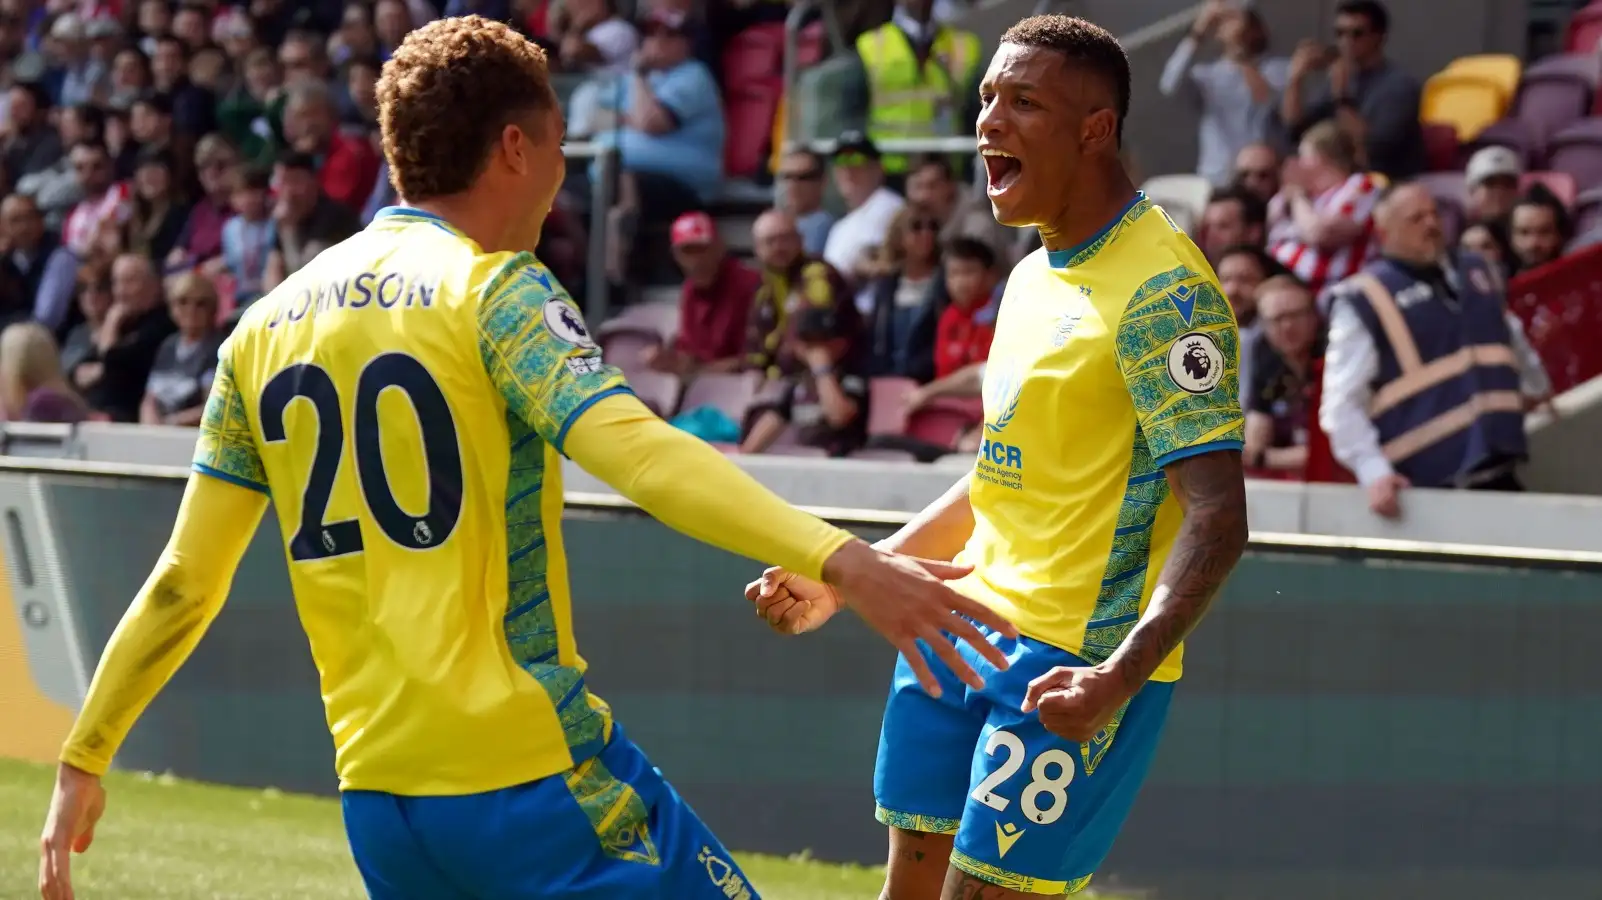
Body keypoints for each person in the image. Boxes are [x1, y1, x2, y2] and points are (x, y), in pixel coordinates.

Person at [37, 18, 1017, 900]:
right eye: (555, 143)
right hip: (528, 783)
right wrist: (844, 559)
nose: (561, 170)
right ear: (514, 146)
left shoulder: (262, 329)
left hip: (381, 805)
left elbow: (182, 584)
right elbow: (638, 453)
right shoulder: (493, 290)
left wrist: (87, 753)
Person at [748, 15, 1249, 898]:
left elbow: (1218, 515)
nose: (989, 122)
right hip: (957, 637)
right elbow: (997, 480)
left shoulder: (1167, 292)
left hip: (1070, 658)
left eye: (1023, 102)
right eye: (986, 98)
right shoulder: (1030, 274)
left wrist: (1117, 675)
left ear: (1095, 130)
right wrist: (850, 577)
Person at [1319, 183, 1545, 519]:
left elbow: (1509, 336)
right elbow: (1341, 406)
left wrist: (1537, 387)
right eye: (1415, 218)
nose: (1430, 224)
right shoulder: (1363, 299)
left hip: (1500, 471)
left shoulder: (1477, 269)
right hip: (1427, 493)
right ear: (1385, 232)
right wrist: (1372, 470)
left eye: (1433, 214)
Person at [1158, 0, 1289, 186]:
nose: (1233, 26)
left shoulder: (1277, 69)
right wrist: (1198, 33)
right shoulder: (1207, 76)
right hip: (1218, 177)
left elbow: (1267, 102)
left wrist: (1242, 57)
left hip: (1262, 176)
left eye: (1236, 19)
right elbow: (1169, 85)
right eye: (1224, 21)